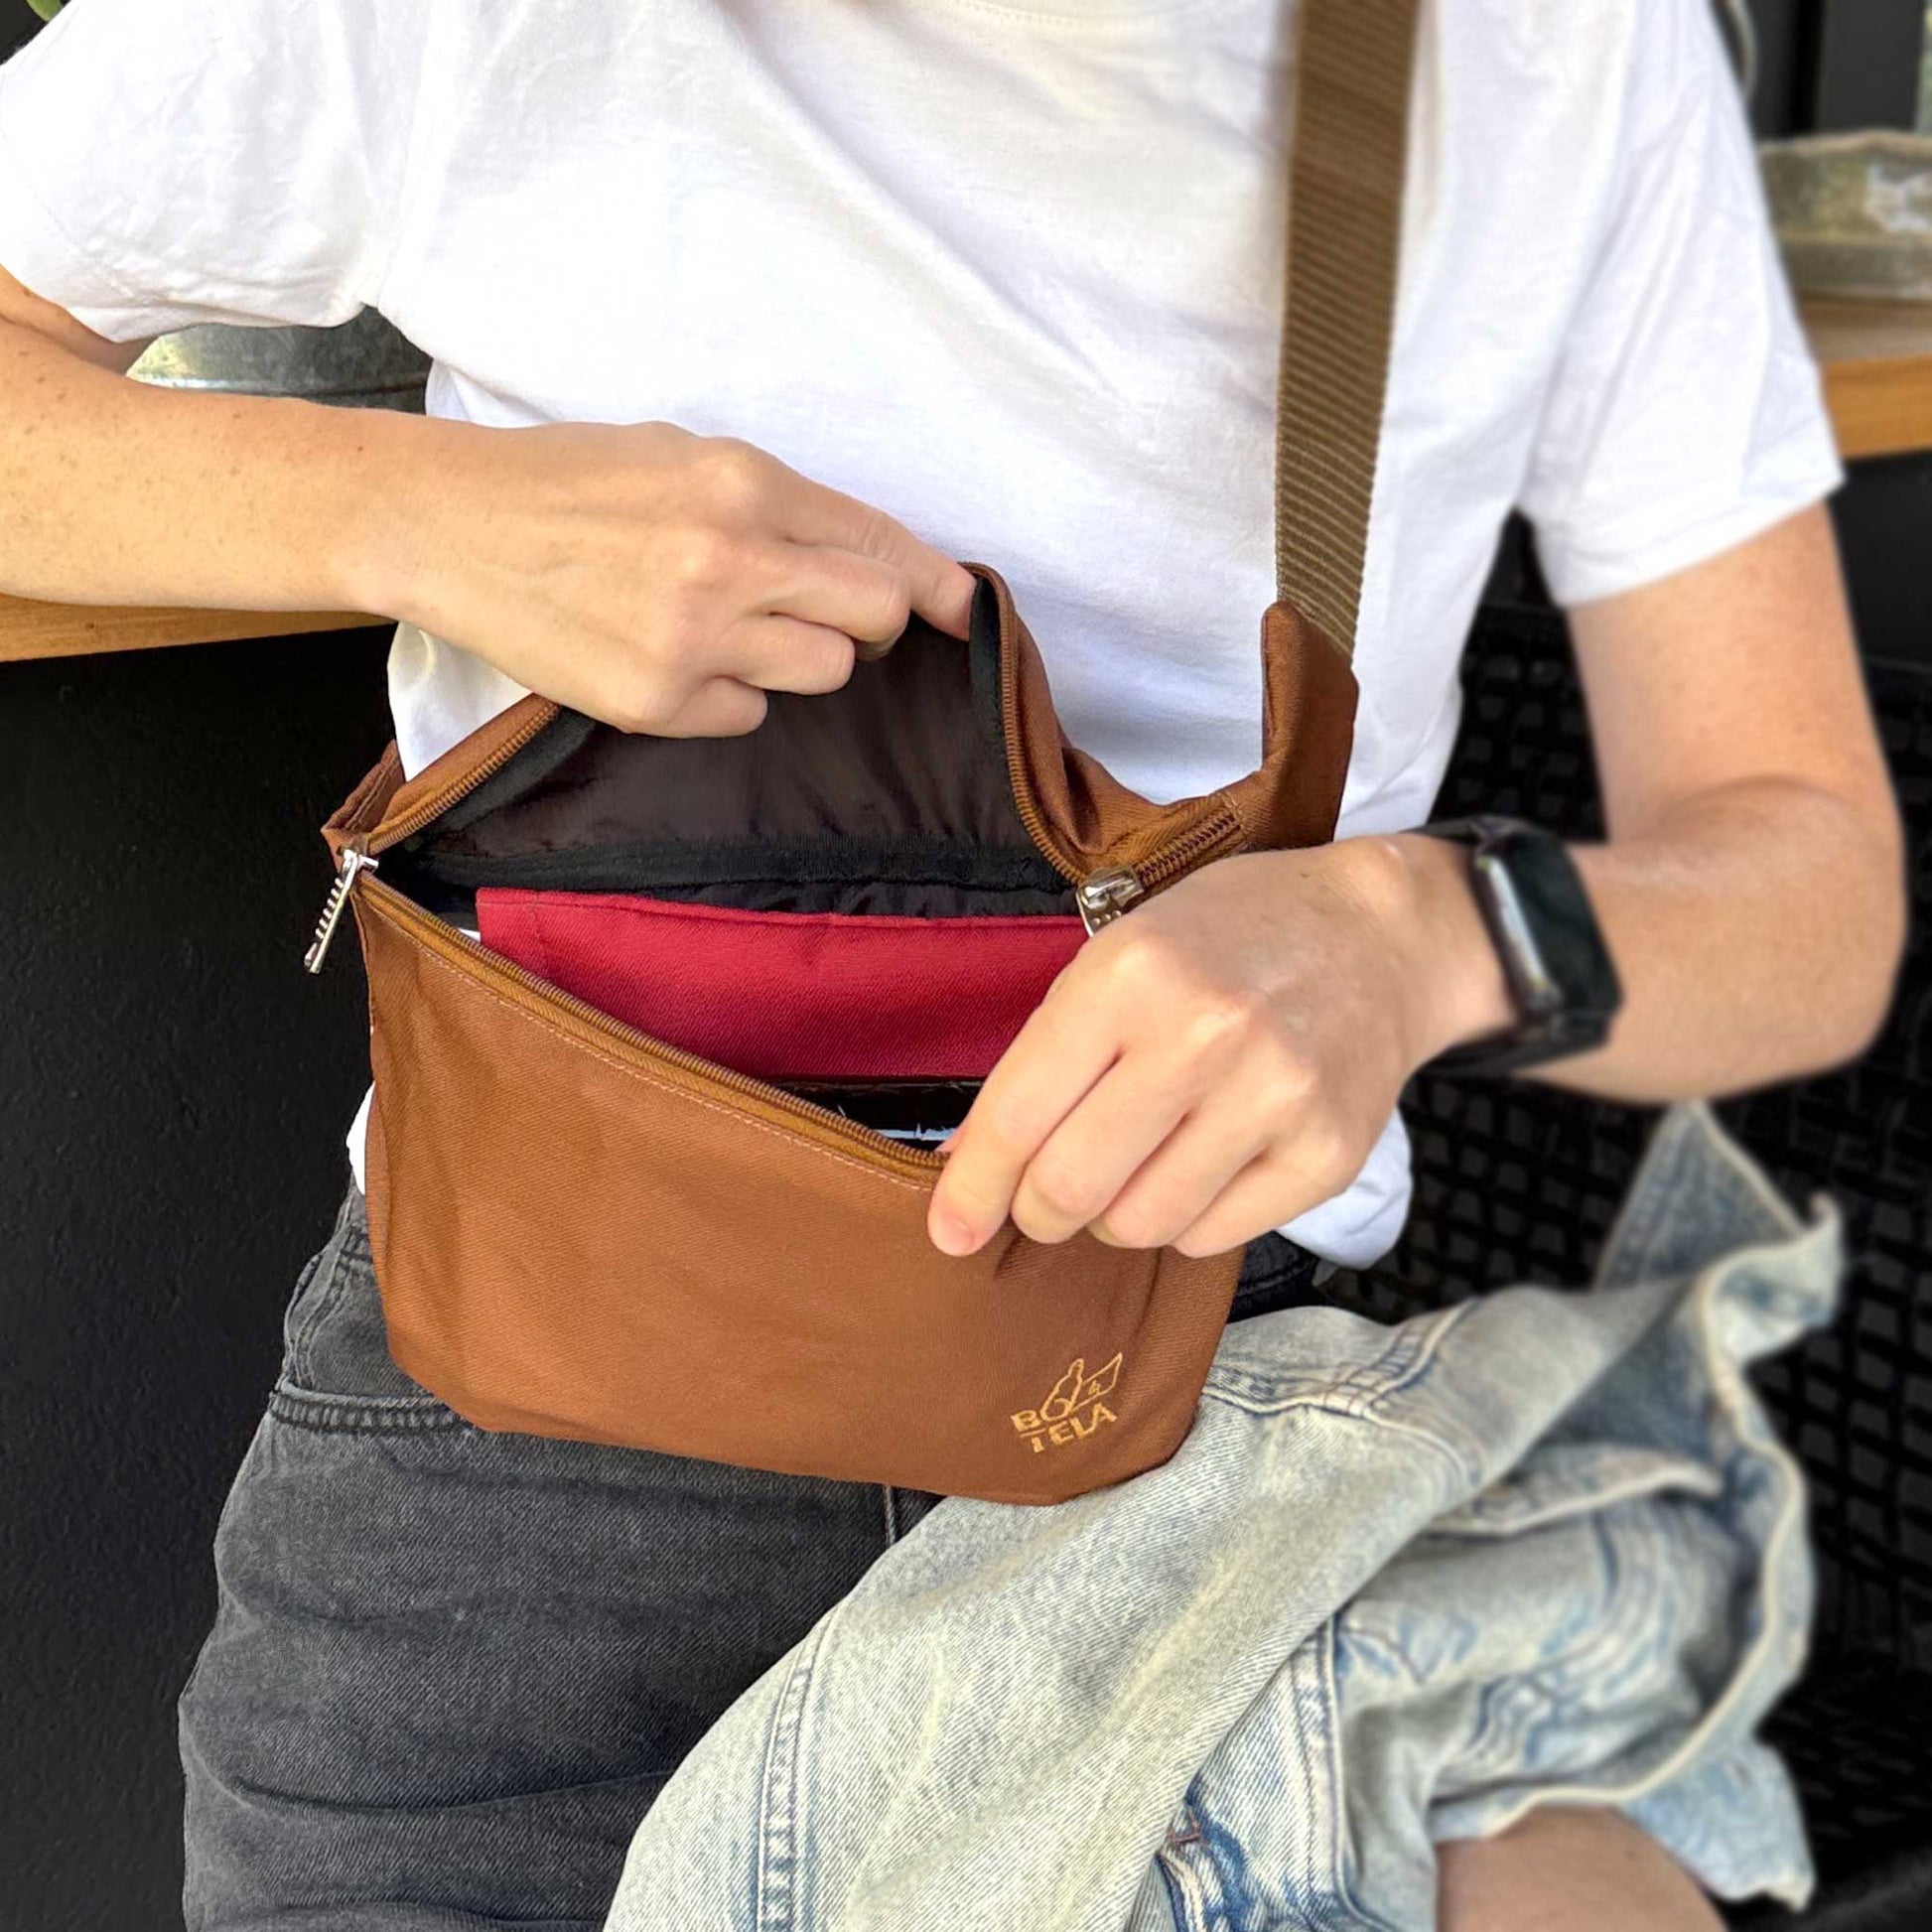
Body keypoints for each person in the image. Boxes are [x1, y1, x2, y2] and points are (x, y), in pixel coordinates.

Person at [0, 0, 1904, 1928]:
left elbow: (1808, 895)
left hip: (1186, 1430)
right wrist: (415, 513)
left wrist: (1426, 936)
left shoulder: (1555, 50)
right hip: (530, 1477)